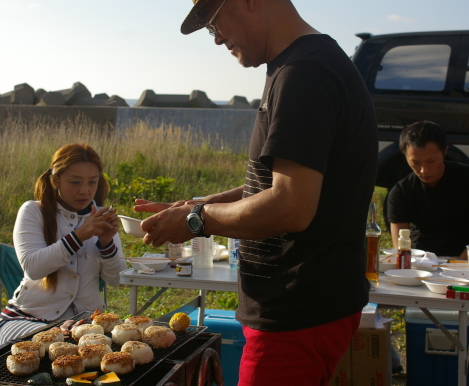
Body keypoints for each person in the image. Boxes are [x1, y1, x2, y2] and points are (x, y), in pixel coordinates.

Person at [133, 1, 378, 385]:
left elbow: (291, 206)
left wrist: (197, 221)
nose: (215, 39)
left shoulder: (305, 73)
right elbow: (270, 185)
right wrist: (196, 206)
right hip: (296, 307)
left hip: (298, 309)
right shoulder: (298, 65)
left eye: (213, 22)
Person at [0, 143, 126, 345]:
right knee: (48, 346)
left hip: (85, 324)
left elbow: (117, 279)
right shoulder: (33, 211)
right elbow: (33, 267)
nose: (85, 191)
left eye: (92, 182)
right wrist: (79, 235)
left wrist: (107, 243)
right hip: (28, 318)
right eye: (75, 182)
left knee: (95, 352)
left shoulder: (101, 216)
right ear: (56, 179)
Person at [387, 121, 469, 259]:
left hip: (463, 261)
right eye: (415, 163)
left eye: (431, 161)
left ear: (444, 152)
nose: (424, 170)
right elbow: (401, 248)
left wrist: (456, 268)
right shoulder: (401, 192)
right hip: (420, 264)